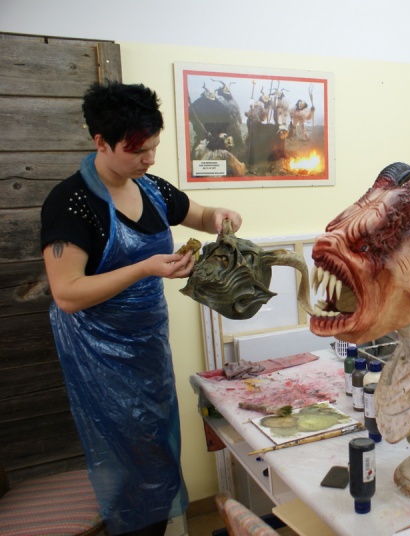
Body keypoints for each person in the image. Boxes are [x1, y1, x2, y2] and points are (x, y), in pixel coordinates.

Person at [40, 81, 243, 536]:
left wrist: (219, 217)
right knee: (124, 466)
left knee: (156, 449)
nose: (149, 159)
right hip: (98, 358)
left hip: (149, 347)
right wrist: (144, 268)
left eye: (153, 146)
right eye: (137, 150)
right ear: (101, 142)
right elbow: (67, 293)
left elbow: (201, 214)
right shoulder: (71, 203)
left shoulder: (151, 189)